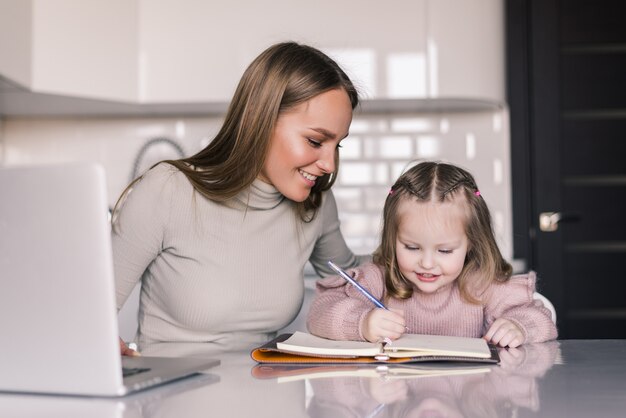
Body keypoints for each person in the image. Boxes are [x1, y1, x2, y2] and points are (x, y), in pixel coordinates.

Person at [113, 41, 368, 355]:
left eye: (337, 146)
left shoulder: (315, 204)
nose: (329, 164)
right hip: (178, 399)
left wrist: (424, 250)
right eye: (316, 141)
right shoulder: (168, 190)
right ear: (261, 121)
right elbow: (86, 314)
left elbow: (355, 283)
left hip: (275, 398)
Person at [307, 161, 558, 348]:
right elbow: (320, 312)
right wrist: (362, 322)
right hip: (396, 400)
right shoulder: (378, 278)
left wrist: (519, 327)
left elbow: (540, 316)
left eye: (445, 250)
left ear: (471, 243)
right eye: (412, 247)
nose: (427, 263)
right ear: (393, 239)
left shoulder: (480, 284)